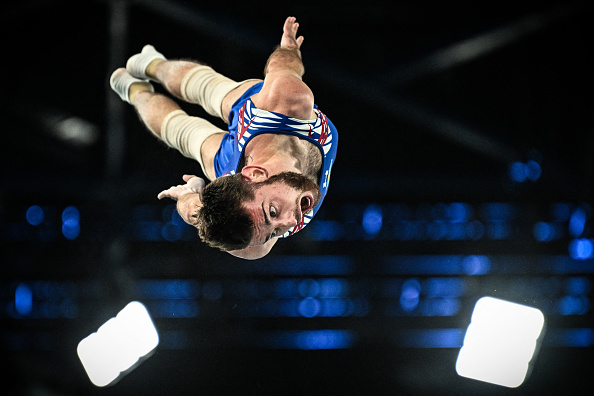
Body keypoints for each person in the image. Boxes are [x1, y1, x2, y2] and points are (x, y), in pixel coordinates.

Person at [110, 16, 338, 259]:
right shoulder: (257, 242)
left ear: (256, 174)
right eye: (274, 232)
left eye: (272, 211)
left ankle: (147, 72)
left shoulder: (286, 101)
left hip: (256, 124)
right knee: (186, 127)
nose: (290, 221)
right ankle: (141, 79)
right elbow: (206, 215)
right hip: (246, 157)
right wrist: (192, 200)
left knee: (202, 96)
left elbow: (283, 64)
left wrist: (288, 50)